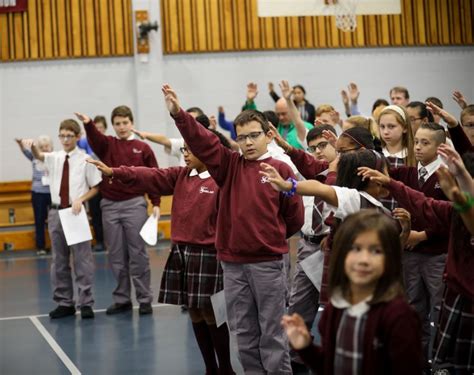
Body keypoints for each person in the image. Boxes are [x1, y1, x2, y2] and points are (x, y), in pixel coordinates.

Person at [163, 83, 304, 374]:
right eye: (242, 138)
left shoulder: (282, 169)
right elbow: (204, 141)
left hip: (267, 263)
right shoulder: (229, 165)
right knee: (244, 333)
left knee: (273, 333)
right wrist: (179, 114)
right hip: (233, 265)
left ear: (267, 135)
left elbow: (294, 218)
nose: (248, 143)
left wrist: (269, 237)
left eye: (254, 136)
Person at [88, 130, 236, 375]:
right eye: (184, 149)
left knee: (212, 311)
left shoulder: (221, 179)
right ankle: (211, 368)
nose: (184, 154)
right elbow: (148, 175)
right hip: (182, 251)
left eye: (189, 149)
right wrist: (115, 171)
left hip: (209, 254)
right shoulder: (181, 175)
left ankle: (226, 368)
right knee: (195, 310)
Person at [358, 146, 474, 374]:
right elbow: (421, 202)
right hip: (457, 295)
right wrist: (390, 183)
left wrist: (460, 195)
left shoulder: (461, 208)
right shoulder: (453, 211)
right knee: (448, 366)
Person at [281, 210, 422, 374]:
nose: (364, 260)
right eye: (355, 249)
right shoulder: (336, 307)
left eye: (376, 251)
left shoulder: (399, 316)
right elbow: (329, 365)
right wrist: (306, 347)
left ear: (390, 258)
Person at [75, 106, 160, 316]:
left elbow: (154, 176)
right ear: (113, 125)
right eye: (118, 123)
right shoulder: (107, 145)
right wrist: (88, 123)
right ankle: (122, 299)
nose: (121, 127)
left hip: (135, 205)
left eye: (125, 122)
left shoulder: (143, 148)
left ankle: (144, 299)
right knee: (116, 256)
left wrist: (156, 202)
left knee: (138, 254)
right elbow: (95, 139)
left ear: (131, 123)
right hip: (110, 206)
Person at [27, 119, 102, 319]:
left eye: (69, 135)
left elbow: (96, 186)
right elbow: (38, 155)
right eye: (62, 135)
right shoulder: (55, 157)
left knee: (82, 260)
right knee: (59, 260)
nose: (65, 139)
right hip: (56, 213)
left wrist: (81, 199)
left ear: (77, 137)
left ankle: (85, 302)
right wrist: (32, 146)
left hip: (76, 213)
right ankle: (64, 302)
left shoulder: (85, 159)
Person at [389, 122, 449, 370]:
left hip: (437, 254)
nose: (420, 147)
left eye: (426, 143)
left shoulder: (446, 176)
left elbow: (451, 218)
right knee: (414, 308)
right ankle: (418, 360)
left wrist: (421, 235)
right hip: (411, 253)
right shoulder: (409, 173)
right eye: (417, 142)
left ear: (440, 147)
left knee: (439, 309)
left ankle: (440, 363)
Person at [15, 136, 53, 255]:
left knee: (55, 221)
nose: (44, 149)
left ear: (51, 147)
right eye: (41, 147)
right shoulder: (34, 158)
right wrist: (21, 144)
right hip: (38, 193)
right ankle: (41, 247)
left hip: (52, 194)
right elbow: (25, 151)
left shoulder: (54, 158)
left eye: (46, 146)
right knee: (39, 220)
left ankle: (57, 246)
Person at [77, 115, 107, 252]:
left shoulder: (108, 143)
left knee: (108, 215)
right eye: (96, 128)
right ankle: (99, 240)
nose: (99, 130)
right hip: (93, 185)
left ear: (105, 129)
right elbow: (75, 147)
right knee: (95, 214)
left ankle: (110, 241)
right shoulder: (85, 142)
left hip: (107, 184)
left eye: (101, 128)